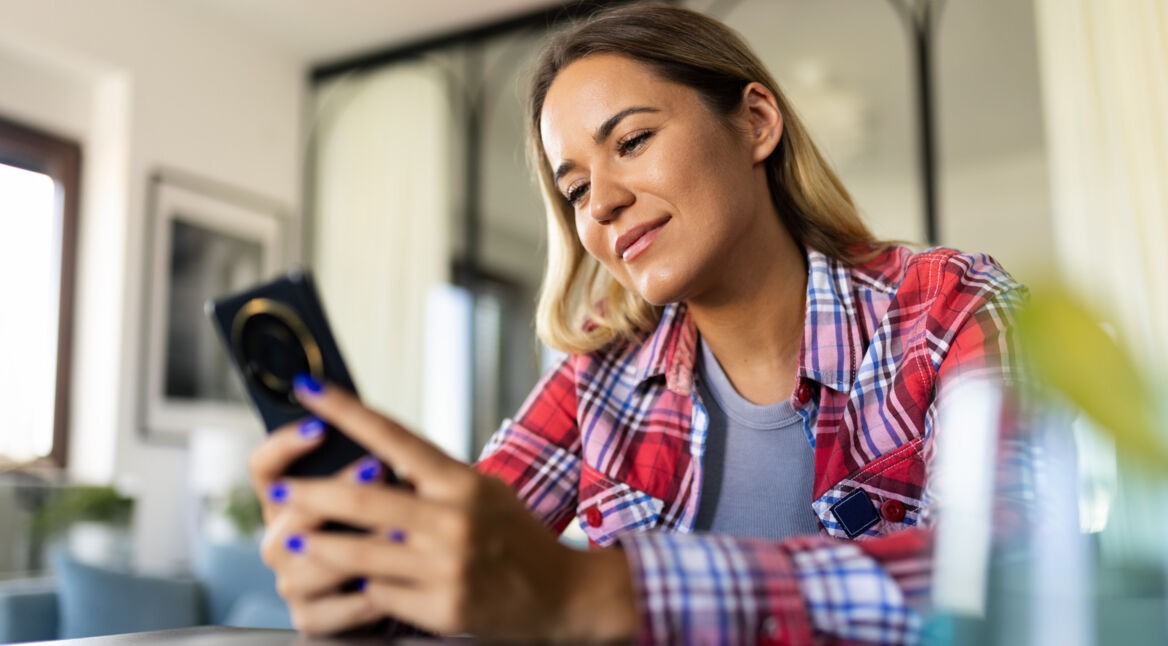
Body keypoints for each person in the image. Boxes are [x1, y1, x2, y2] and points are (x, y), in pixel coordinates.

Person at [248, 3, 1028, 643]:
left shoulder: (951, 309)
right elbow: (477, 555)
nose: (605, 203)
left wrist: (604, 593)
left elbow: (1010, 579)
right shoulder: (604, 370)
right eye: (576, 188)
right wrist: (376, 587)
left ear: (756, 122)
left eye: (632, 141)